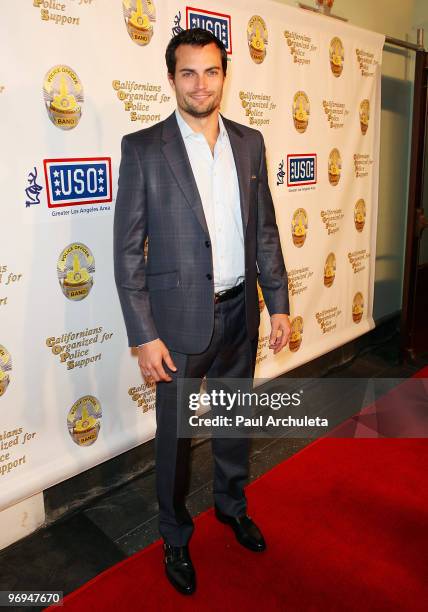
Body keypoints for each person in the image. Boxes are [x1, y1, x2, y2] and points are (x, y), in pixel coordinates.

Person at [113, 28, 291, 596]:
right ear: (170, 80)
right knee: (175, 438)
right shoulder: (143, 148)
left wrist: (279, 303)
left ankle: (232, 506)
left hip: (243, 312)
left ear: (223, 76)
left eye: (210, 71)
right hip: (179, 323)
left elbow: (264, 231)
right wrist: (144, 335)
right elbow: (126, 252)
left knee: (235, 419)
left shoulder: (249, 142)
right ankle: (173, 533)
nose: (200, 83)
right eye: (187, 72)